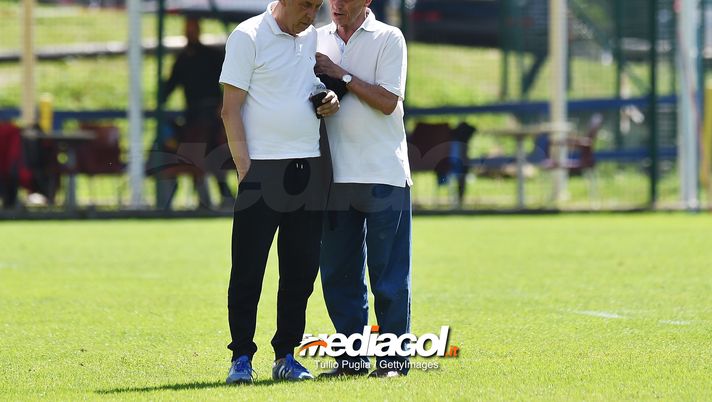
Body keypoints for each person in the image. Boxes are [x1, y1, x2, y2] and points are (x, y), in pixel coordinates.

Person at [219, 0, 339, 384]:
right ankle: (241, 357)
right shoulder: (247, 36)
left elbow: (306, 87)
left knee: (301, 272)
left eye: (317, 6)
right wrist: (246, 172)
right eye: (305, 5)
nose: (312, 13)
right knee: (249, 270)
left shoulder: (311, 38)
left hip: (307, 169)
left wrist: (328, 99)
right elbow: (230, 109)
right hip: (261, 173)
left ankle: (285, 356)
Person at [314, 0, 412, 378]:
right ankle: (351, 361)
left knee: (388, 277)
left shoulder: (390, 38)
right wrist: (322, 99)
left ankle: (392, 362)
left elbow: (389, 101)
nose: (336, 4)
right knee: (339, 275)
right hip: (333, 177)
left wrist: (343, 77)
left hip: (384, 173)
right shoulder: (315, 38)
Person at [157, 17, 233, 210]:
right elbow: (169, 87)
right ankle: (208, 195)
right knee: (192, 154)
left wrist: (223, 105)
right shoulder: (182, 59)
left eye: (193, 29)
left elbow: (230, 81)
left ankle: (221, 194)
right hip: (193, 115)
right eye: (187, 30)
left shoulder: (212, 56)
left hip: (213, 115)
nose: (190, 33)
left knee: (212, 153)